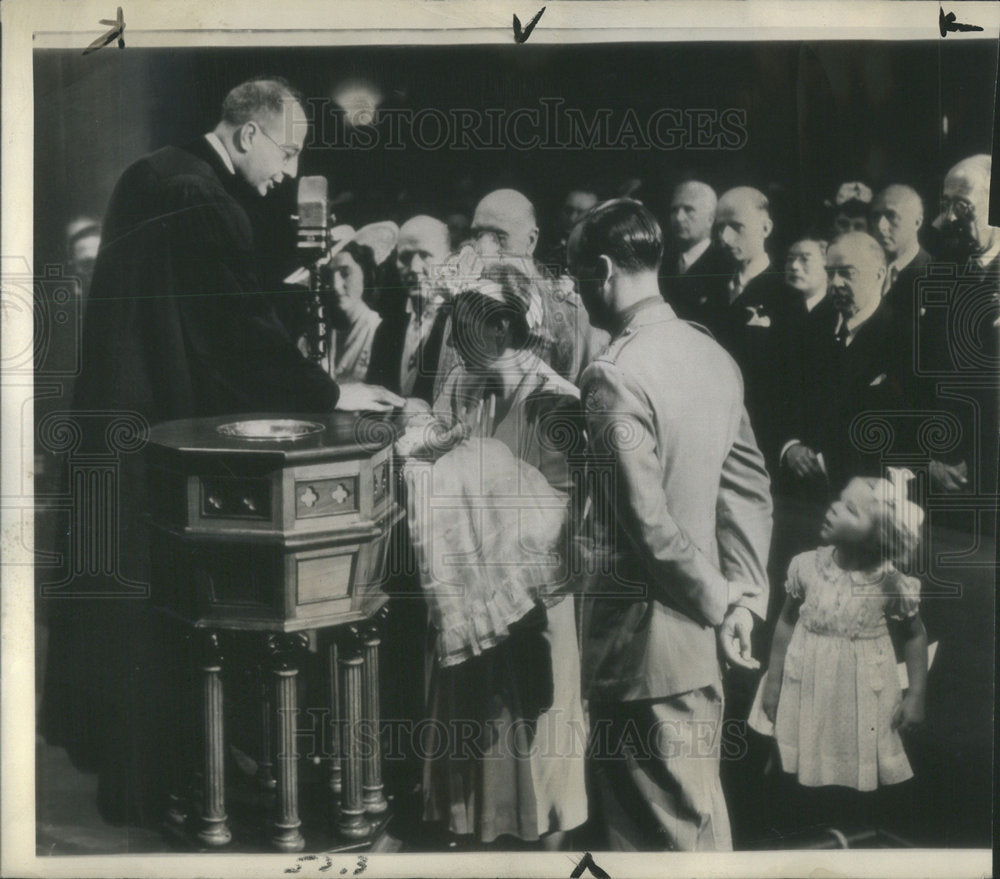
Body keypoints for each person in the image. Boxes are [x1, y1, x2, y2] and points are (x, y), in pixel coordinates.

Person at [42, 77, 402, 826]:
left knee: (133, 613)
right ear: (246, 134)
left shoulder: (153, 172)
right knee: (172, 614)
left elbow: (198, 309)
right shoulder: (204, 197)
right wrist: (332, 393)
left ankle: (145, 783)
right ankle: (185, 789)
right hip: (158, 441)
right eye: (288, 152)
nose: (289, 173)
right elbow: (233, 335)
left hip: (121, 427)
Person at [567, 199, 772, 851]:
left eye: (578, 276)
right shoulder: (711, 353)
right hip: (695, 647)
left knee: (660, 842)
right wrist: (743, 599)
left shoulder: (614, 374)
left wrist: (719, 599)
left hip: (639, 649)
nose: (578, 294)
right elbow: (748, 487)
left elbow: (647, 523)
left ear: (602, 270)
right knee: (694, 823)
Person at [404, 262, 588, 848]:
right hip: (471, 597)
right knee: (473, 732)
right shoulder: (464, 386)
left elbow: (566, 514)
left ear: (503, 328)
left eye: (463, 329)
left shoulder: (555, 402)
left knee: (536, 743)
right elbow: (428, 457)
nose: (452, 345)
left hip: (535, 597)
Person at [749, 470, 928, 832]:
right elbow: (785, 622)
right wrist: (774, 680)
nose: (833, 508)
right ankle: (785, 823)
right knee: (789, 756)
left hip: (856, 692)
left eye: (850, 509)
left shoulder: (890, 583)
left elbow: (915, 635)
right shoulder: (806, 566)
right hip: (804, 680)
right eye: (840, 499)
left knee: (847, 761)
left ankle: (845, 828)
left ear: (877, 537)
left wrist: (916, 695)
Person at [777, 232, 905, 499]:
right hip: (797, 490)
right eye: (830, 272)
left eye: (847, 273)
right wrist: (790, 447)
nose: (835, 283)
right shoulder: (808, 328)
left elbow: (905, 432)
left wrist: (828, 462)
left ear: (879, 274)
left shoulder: (905, 336)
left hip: (863, 498)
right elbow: (782, 399)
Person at [712, 186, 790, 457]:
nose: (725, 237)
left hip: (763, 432)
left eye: (737, 227)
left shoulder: (786, 292)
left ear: (765, 228)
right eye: (720, 228)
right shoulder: (712, 287)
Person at [367, 215, 453, 404]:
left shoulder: (460, 327)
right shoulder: (386, 329)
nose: (414, 267)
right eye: (405, 257)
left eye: (425, 255)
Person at [308, 240, 383, 383]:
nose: (336, 286)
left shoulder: (380, 331)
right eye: (328, 276)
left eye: (345, 273)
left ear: (365, 274)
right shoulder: (316, 334)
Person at [659, 180, 732, 324]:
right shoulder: (661, 262)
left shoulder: (725, 266)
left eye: (688, 210)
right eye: (674, 210)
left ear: (710, 219)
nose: (679, 218)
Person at [871, 185, 932, 322]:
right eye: (876, 216)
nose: (881, 226)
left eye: (891, 216)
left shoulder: (933, 278)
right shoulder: (867, 272)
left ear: (917, 222)